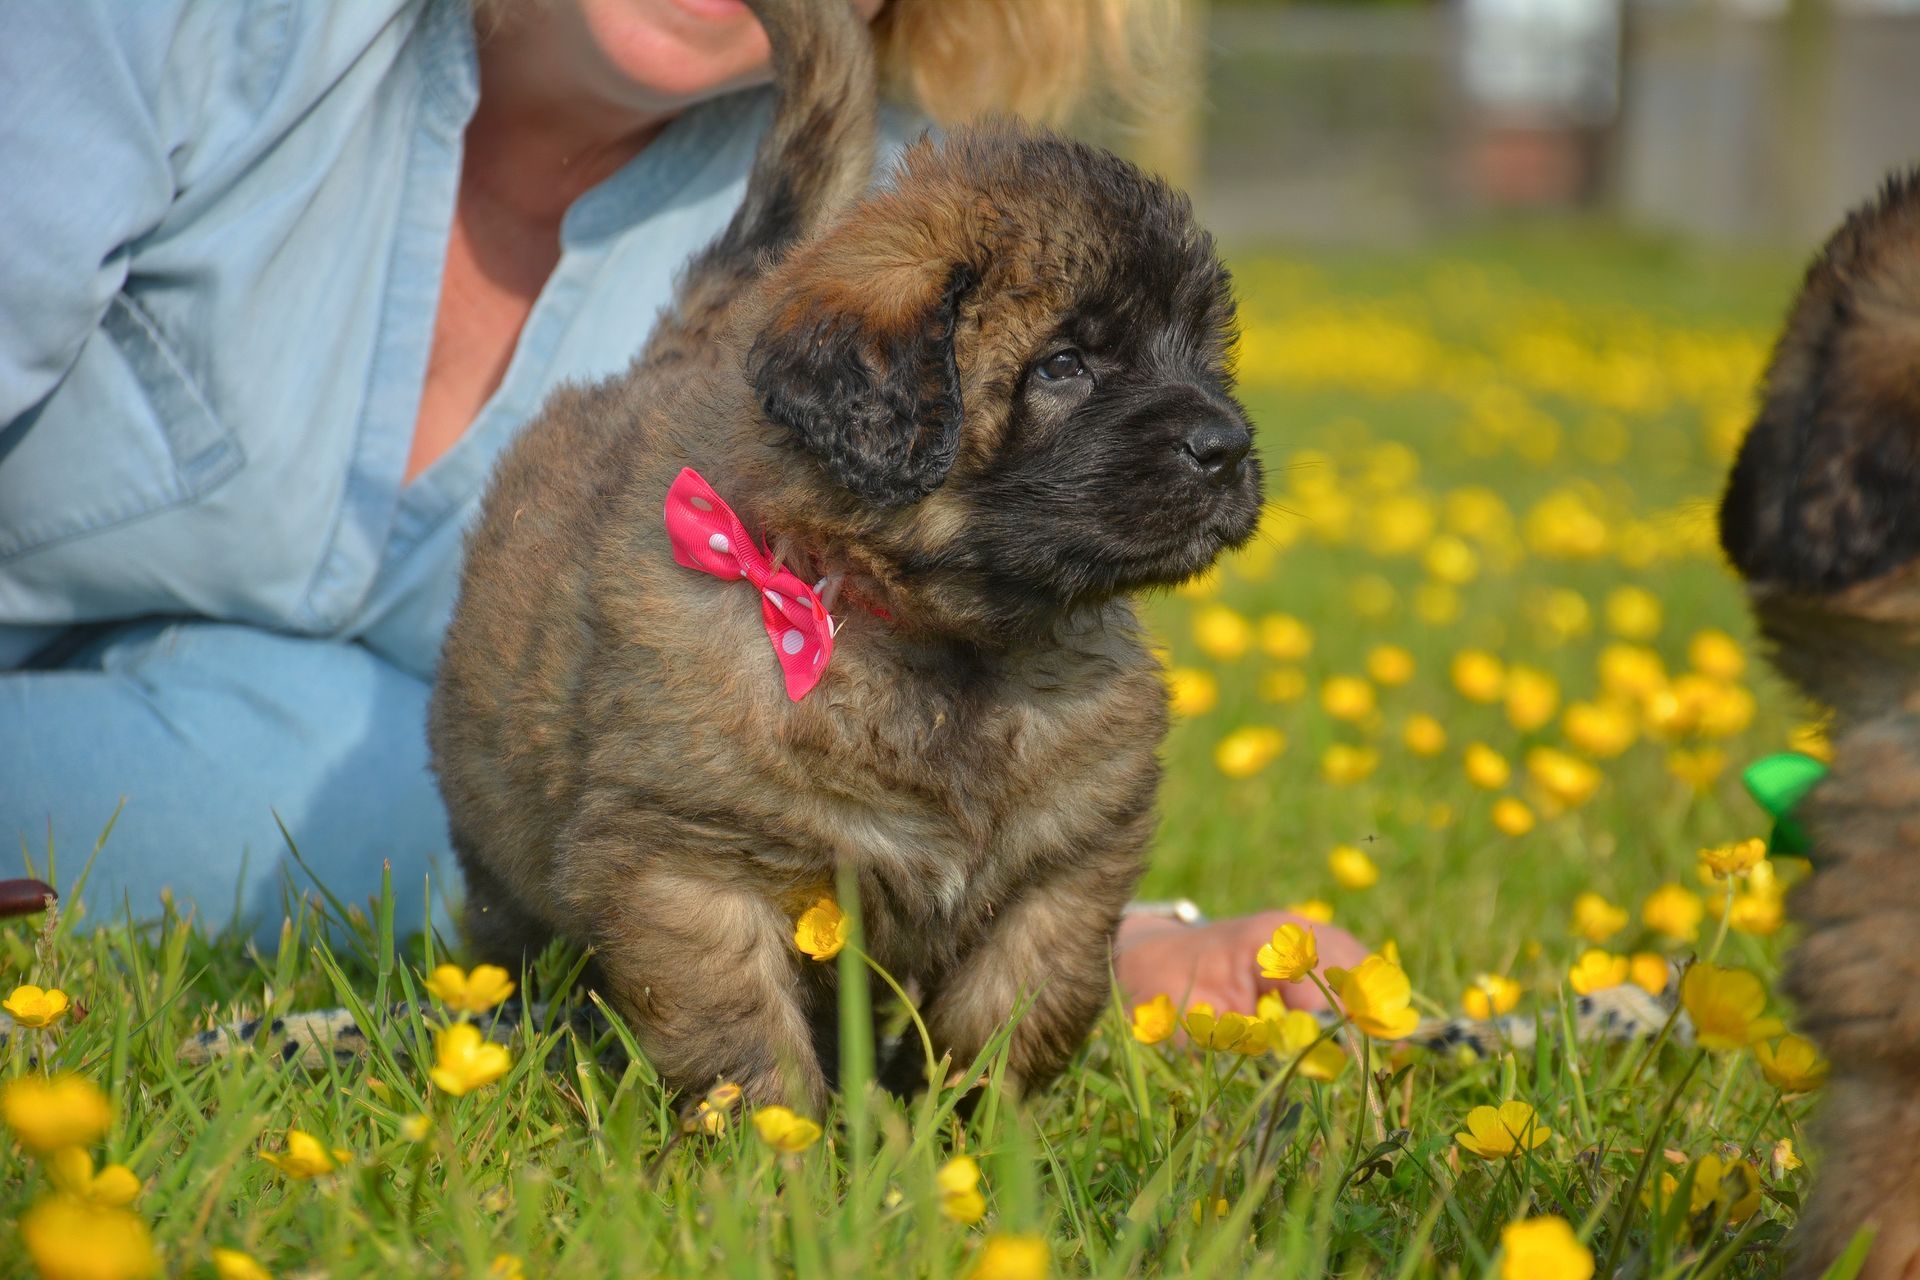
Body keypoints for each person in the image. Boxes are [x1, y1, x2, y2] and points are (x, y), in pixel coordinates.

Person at [0, 0, 1360, 1015]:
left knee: (406, 811)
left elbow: (811, 762)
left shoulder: (902, 212)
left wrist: (1116, 944)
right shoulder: (171, 27)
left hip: (337, 773)